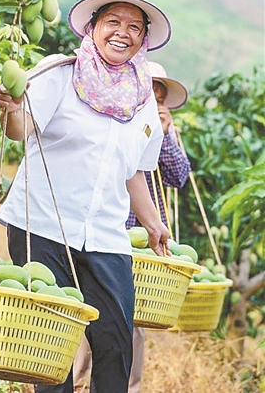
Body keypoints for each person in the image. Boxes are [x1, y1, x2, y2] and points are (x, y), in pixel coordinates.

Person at [0, 0, 172, 393]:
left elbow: (134, 172)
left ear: (143, 38)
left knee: (115, 341)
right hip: (42, 225)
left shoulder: (144, 97)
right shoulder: (61, 73)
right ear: (92, 27)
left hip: (107, 235)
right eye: (113, 21)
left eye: (133, 26)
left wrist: (153, 222)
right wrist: (13, 111)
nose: (122, 32)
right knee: (51, 345)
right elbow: (21, 129)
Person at [72, 61, 192, 393]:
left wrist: (165, 135)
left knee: (130, 322)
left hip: (143, 244)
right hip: (105, 232)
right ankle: (79, 382)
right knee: (90, 313)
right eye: (149, 89)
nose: (153, 99)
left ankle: (128, 387)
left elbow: (179, 175)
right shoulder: (114, 119)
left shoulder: (161, 133)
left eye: (159, 95)